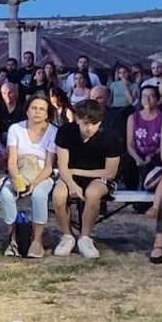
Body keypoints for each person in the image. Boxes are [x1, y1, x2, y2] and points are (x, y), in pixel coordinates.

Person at [51, 100, 124, 259]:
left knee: (93, 193)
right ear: (77, 119)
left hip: (98, 176)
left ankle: (85, 238)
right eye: (85, 123)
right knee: (58, 195)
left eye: (94, 123)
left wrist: (78, 172)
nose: (89, 128)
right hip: (69, 175)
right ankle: (67, 236)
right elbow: (62, 166)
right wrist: (72, 184)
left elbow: (110, 172)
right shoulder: (65, 131)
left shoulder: (110, 136)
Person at [0, 94, 58, 257]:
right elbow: (12, 161)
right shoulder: (16, 129)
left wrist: (34, 183)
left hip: (42, 175)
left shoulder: (53, 132)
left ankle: (37, 240)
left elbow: (49, 166)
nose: (37, 112)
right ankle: (13, 239)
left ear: (47, 113)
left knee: (39, 194)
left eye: (42, 109)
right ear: (27, 111)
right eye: (34, 108)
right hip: (20, 171)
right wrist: (18, 180)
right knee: (6, 193)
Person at [126, 86, 162, 191]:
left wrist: (152, 155)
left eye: (151, 96)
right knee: (128, 164)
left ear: (157, 99)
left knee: (153, 164)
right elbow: (130, 144)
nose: (147, 99)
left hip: (157, 154)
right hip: (138, 153)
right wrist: (137, 158)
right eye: (144, 96)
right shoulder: (133, 117)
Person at [0, 82, 25, 166]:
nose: (7, 96)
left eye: (10, 93)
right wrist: (0, 147)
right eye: (4, 93)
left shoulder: (23, 107)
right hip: (2, 139)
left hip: (18, 141)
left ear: (15, 93)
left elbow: (24, 130)